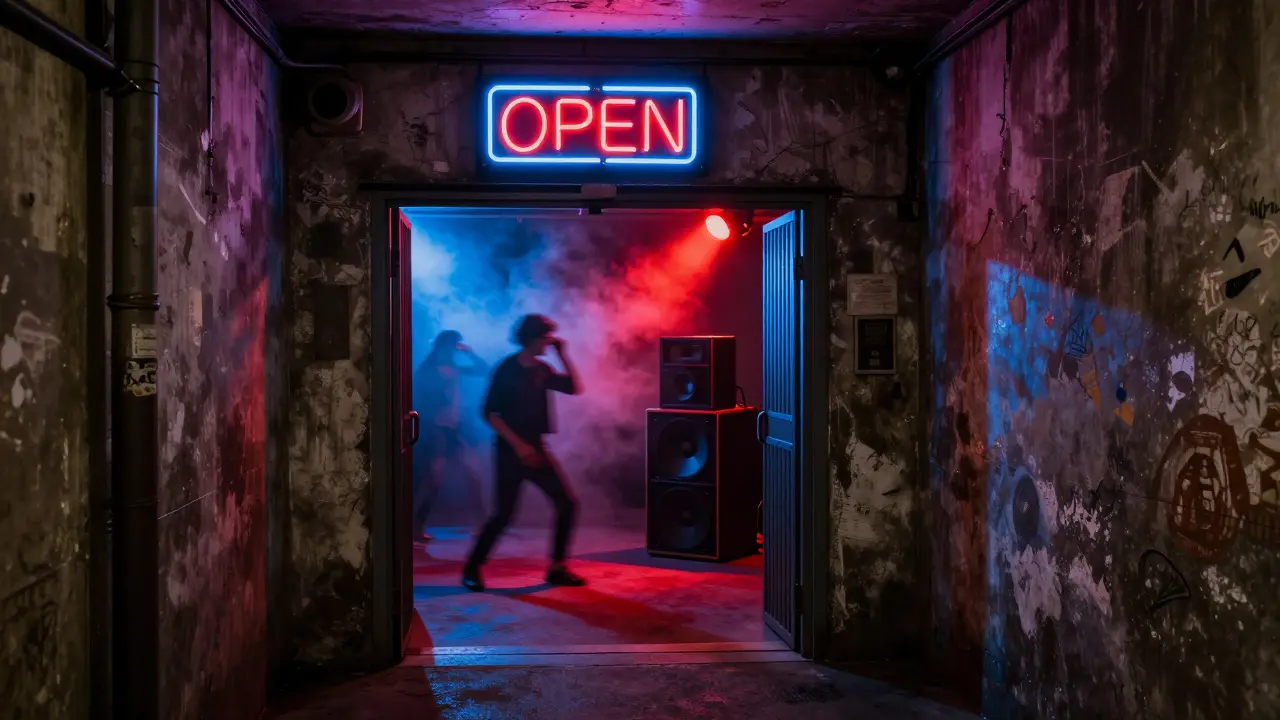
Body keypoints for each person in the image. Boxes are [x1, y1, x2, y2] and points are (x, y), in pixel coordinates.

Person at [462, 314, 586, 591]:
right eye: (546, 337)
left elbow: (574, 388)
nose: (550, 342)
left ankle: (557, 568)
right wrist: (519, 446)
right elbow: (489, 413)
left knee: (566, 503)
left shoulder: (542, 369)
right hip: (510, 450)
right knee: (504, 514)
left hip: (536, 448)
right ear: (532, 338)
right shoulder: (507, 369)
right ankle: (472, 568)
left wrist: (563, 356)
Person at [412, 330, 488, 543]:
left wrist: (470, 352)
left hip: (453, 430)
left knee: (472, 474)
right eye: (454, 345)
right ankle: (416, 527)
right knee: (434, 481)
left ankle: (482, 523)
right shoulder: (427, 370)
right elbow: (420, 398)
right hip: (436, 431)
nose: (455, 349)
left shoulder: (453, 367)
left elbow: (483, 369)